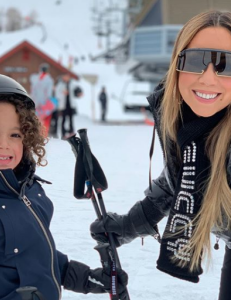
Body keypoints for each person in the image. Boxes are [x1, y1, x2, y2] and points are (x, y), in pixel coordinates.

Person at [0, 74, 128, 300]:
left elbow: (38, 256)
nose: (4, 144)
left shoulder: (28, 192)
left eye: (15, 134)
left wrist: (87, 278)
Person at [90, 10, 231, 300]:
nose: (208, 78)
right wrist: (129, 225)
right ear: (176, 65)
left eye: (225, 65)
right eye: (195, 61)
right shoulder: (185, 123)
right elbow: (176, 182)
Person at [30, 63, 55, 134]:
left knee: (37, 119)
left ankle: (37, 134)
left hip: (35, 102)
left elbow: (33, 92)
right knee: (46, 119)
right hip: (45, 103)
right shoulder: (49, 80)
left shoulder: (35, 79)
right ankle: (44, 134)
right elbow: (49, 93)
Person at [55, 73, 82, 139]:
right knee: (63, 120)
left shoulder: (72, 84)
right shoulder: (60, 85)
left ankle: (71, 132)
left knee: (71, 119)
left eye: (67, 77)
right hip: (63, 105)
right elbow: (57, 94)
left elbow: (76, 92)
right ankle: (63, 133)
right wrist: (63, 93)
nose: (66, 78)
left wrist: (78, 93)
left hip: (70, 105)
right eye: (65, 77)